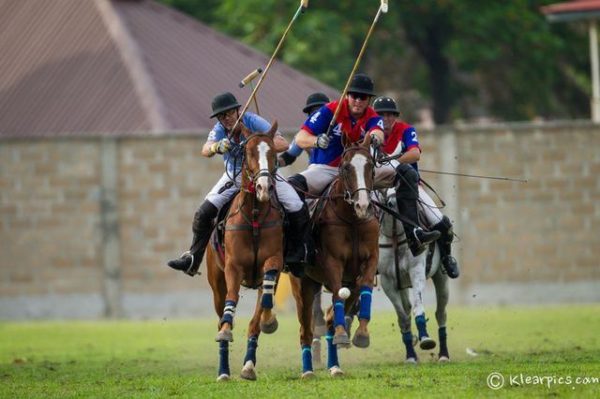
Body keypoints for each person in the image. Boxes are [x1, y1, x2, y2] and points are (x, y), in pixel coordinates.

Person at [289, 73, 439, 255]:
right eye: (355, 96)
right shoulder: (330, 111)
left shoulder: (372, 115)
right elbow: (300, 137)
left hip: (361, 170)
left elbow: (378, 131)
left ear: (368, 100)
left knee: (407, 173)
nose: (358, 101)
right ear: (347, 96)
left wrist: (375, 137)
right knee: (292, 186)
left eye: (363, 97)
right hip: (329, 168)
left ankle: (413, 233)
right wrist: (317, 141)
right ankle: (301, 245)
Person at [167, 92, 311, 276]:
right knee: (203, 213)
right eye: (221, 116)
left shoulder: (253, 121)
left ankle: (297, 254)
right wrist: (216, 147)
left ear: (238, 110)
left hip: (264, 174)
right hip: (234, 177)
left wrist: (256, 143)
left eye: (229, 113)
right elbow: (205, 149)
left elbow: (283, 144)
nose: (226, 119)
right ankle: (193, 258)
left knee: (296, 205)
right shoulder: (220, 129)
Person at [373, 95, 459, 278]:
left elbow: (414, 154)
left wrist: (391, 162)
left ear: (395, 116)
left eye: (390, 115)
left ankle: (446, 258)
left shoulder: (406, 130)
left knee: (441, 222)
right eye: (381, 115)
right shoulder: (369, 133)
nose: (386, 119)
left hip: (409, 188)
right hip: (378, 189)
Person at [277, 92, 330, 167]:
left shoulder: (340, 128)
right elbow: (288, 156)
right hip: (315, 172)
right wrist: (273, 163)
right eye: (313, 111)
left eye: (321, 110)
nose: (318, 114)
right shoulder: (304, 135)